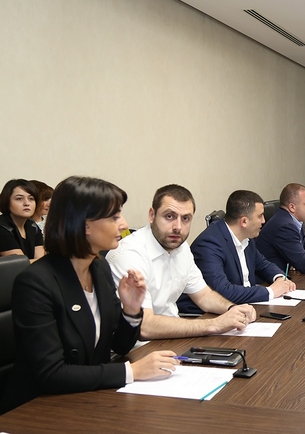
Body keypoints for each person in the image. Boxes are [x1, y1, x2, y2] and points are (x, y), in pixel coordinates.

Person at [0, 176, 177, 415]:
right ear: (84, 225)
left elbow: (119, 345)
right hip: (37, 409)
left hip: (88, 397)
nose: (124, 224)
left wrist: (131, 310)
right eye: (114, 217)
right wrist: (131, 371)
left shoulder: (98, 267)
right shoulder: (35, 282)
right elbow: (52, 374)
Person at [106, 184, 257, 340]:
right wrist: (214, 324)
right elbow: (144, 326)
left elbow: (204, 296)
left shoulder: (181, 247)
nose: (178, 227)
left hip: (174, 338)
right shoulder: (130, 254)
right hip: (141, 347)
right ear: (152, 215)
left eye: (185, 219)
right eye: (169, 216)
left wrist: (233, 309)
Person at [177, 190, 296, 315]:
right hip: (208, 315)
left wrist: (280, 278)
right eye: (260, 216)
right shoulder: (209, 244)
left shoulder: (246, 237)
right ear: (244, 221)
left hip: (245, 307)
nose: (263, 221)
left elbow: (263, 264)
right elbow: (222, 291)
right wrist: (270, 291)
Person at [0, 179, 45, 262]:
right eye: (19, 199)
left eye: (31, 198)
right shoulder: (2, 227)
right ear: (7, 201)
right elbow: (20, 264)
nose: (27, 203)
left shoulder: (32, 225)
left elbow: (41, 260)